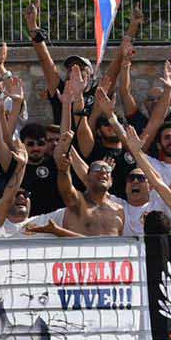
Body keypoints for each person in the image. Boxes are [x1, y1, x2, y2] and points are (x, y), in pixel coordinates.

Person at [52, 75, 126, 237]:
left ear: (111, 179)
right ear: (86, 177)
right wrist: (68, 104)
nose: (103, 172)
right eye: (97, 168)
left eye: (106, 170)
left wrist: (111, 116)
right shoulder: (76, 203)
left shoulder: (120, 210)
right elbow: (67, 139)